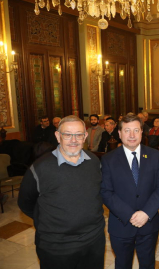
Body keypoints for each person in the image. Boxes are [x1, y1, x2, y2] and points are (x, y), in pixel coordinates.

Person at [18, 115, 105, 269]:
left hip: (94, 241)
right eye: (67, 134)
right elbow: (26, 203)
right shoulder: (40, 167)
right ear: (58, 136)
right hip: (57, 247)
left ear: (85, 136)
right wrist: (51, 222)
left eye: (78, 134)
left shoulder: (94, 161)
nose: (74, 140)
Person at [101, 114, 159, 269]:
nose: (132, 135)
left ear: (142, 132)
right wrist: (129, 215)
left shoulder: (155, 156)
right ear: (119, 133)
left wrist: (146, 213)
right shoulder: (108, 159)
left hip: (148, 224)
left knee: (147, 264)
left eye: (136, 130)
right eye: (127, 130)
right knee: (122, 264)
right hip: (121, 225)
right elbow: (106, 192)